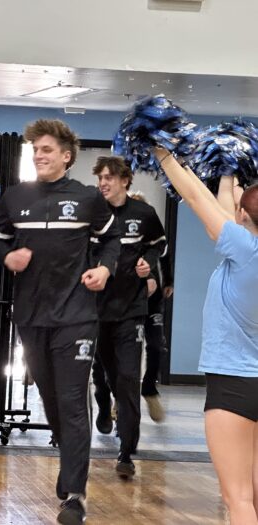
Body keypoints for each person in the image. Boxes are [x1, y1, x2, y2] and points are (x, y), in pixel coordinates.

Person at [0, 119, 120, 525]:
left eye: (47, 149)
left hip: (77, 316)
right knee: (49, 396)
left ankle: (76, 494)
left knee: (71, 399)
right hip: (31, 315)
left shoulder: (86, 199)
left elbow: (111, 240)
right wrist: (6, 256)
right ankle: (71, 460)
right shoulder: (14, 197)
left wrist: (105, 270)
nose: (39, 155)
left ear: (66, 156)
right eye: (36, 150)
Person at [154, 148, 258, 525]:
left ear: (243, 216)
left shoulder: (246, 250)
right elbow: (222, 210)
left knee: (239, 500)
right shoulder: (242, 248)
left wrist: (163, 156)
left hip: (233, 385)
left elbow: (198, 200)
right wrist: (226, 171)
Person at [90, 156, 166, 478]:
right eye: (100, 178)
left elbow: (158, 245)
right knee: (104, 374)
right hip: (96, 310)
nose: (103, 183)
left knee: (128, 378)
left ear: (125, 180)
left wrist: (148, 263)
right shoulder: (92, 213)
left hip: (131, 310)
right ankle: (104, 405)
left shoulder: (144, 214)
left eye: (109, 177)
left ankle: (126, 451)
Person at [129, 191, 174, 422]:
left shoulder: (153, 233)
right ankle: (121, 397)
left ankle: (149, 389)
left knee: (156, 346)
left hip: (153, 298)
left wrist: (169, 281)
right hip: (127, 300)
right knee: (127, 352)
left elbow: (164, 255)